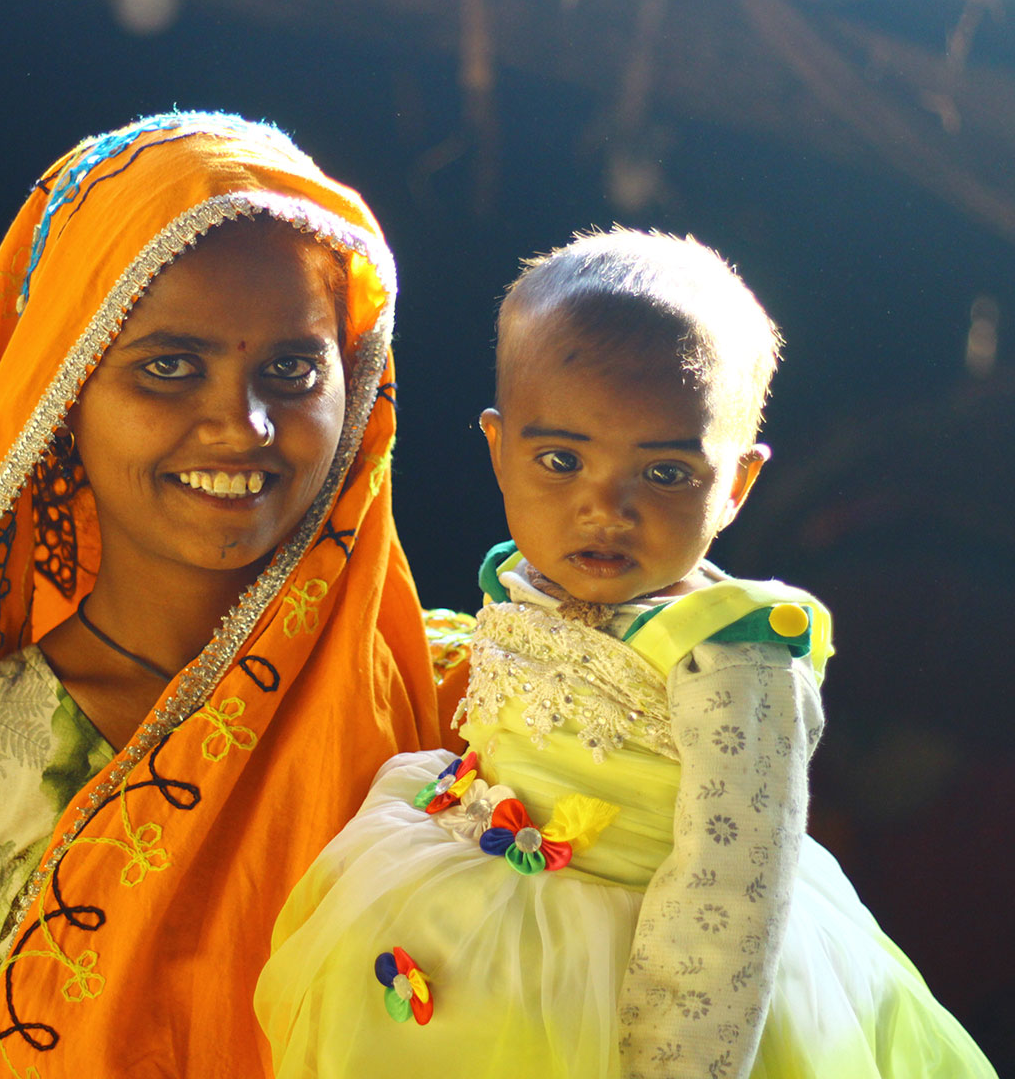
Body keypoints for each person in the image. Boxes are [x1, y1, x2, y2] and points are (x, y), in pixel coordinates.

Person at [0, 112, 464, 1078]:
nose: (243, 422)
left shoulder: (461, 714)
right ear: (64, 398)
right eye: (170, 368)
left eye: (292, 370)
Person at [254, 229, 995, 1078]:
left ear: (739, 483)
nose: (605, 507)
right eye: (562, 461)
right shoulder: (521, 580)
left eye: (667, 474)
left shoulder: (734, 659)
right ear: (500, 451)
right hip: (474, 936)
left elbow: (732, 894)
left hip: (649, 986)